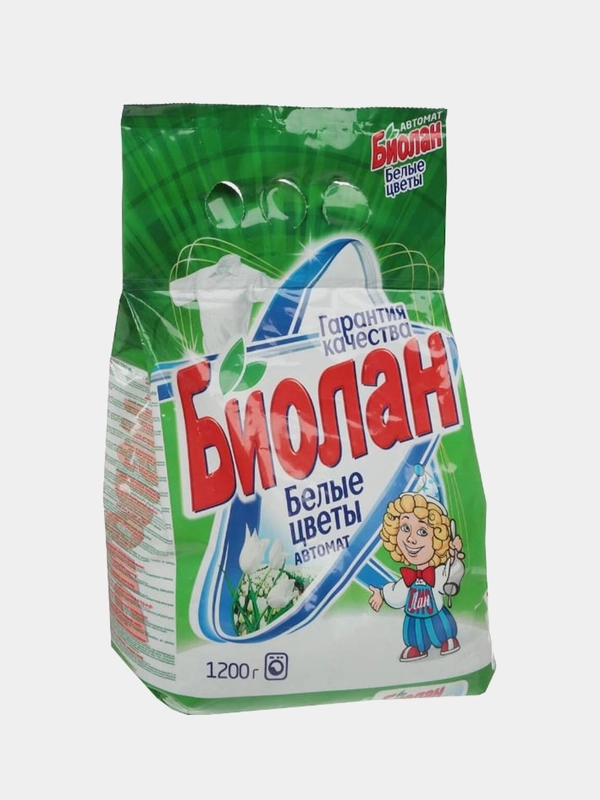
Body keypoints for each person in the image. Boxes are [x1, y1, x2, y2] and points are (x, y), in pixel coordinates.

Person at [368, 492, 465, 662]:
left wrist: (455, 557)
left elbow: (452, 574)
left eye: (422, 531)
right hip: (415, 617)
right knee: (412, 629)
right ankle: (417, 647)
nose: (411, 539)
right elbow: (396, 592)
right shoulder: (407, 579)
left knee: (442, 624)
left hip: (435, 613)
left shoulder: (437, 573)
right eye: (405, 528)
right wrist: (381, 594)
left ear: (438, 539)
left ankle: (447, 639)